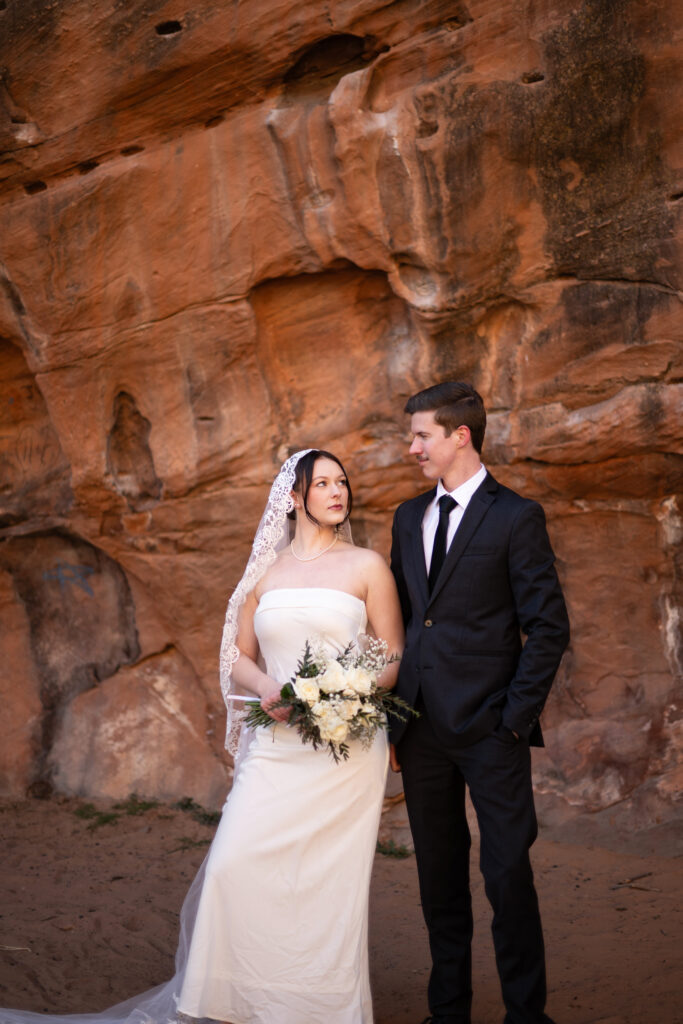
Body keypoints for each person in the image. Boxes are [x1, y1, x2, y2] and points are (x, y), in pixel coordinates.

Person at [0, 449, 404, 1024]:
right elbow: (237, 657)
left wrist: (343, 694)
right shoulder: (265, 574)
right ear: (293, 498)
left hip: (342, 748)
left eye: (343, 483)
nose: (338, 492)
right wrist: (269, 687)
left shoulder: (368, 566)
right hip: (276, 739)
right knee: (230, 866)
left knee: (323, 884)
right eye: (323, 484)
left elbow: (391, 652)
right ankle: (231, 1003)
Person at [389, 383, 570, 1024]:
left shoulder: (517, 516)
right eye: (413, 436)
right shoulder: (408, 519)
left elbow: (548, 628)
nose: (412, 448)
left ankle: (526, 1014)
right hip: (420, 731)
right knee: (439, 881)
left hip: (492, 730)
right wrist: (392, 721)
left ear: (460, 436)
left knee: (506, 876)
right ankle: (449, 1012)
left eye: (421, 436)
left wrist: (512, 722)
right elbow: (405, 623)